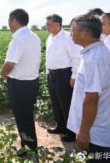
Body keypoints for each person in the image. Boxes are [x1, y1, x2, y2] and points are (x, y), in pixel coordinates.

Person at [67, 14, 110, 163]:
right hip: (103, 126)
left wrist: (84, 131)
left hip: (96, 132)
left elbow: (91, 99)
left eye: (73, 30)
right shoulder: (102, 51)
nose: (71, 34)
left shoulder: (94, 59)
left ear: (83, 33)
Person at [1, 9, 41, 153]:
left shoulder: (18, 39)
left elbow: (10, 64)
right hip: (32, 82)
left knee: (22, 118)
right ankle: (29, 146)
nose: (9, 24)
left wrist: (3, 74)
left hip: (19, 84)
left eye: (9, 21)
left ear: (14, 21)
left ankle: (29, 150)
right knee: (27, 116)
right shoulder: (34, 36)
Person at [45, 14, 81, 142]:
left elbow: (76, 57)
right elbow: (48, 56)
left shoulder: (67, 38)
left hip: (64, 74)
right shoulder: (50, 38)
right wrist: (47, 72)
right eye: (47, 24)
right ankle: (60, 126)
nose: (47, 26)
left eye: (49, 24)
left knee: (66, 103)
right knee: (56, 102)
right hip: (52, 74)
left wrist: (74, 76)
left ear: (57, 24)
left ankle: (71, 132)